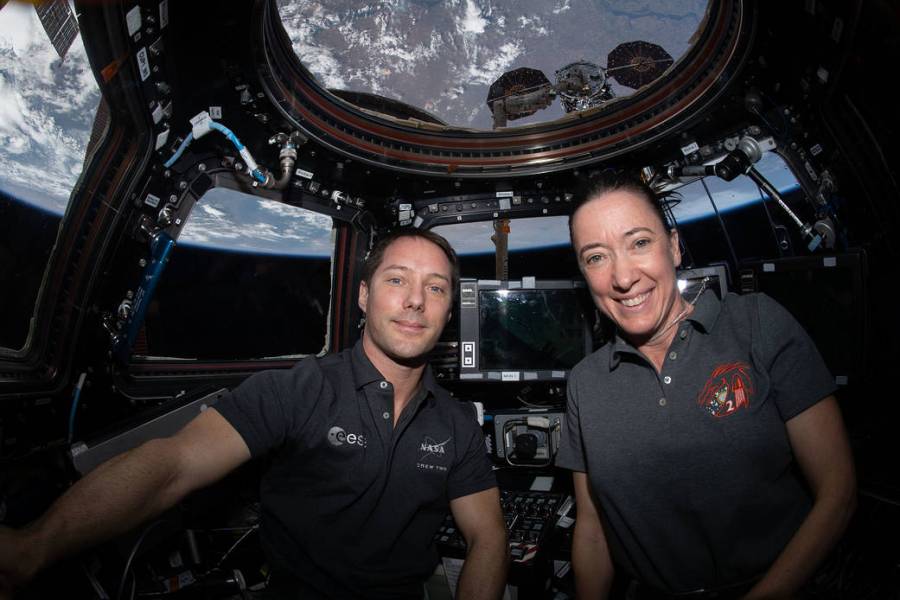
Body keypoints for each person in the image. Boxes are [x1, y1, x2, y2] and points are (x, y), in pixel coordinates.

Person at [0, 229, 509, 600]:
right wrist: (35, 547)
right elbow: (174, 463)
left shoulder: (457, 422)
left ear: (447, 311)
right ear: (363, 296)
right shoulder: (298, 389)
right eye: (397, 279)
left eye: (436, 287)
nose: (416, 300)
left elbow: (486, 536)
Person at [556, 172, 856, 600]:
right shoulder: (584, 382)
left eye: (639, 243)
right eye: (596, 257)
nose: (622, 277)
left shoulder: (756, 324)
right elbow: (592, 530)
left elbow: (837, 491)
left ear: (674, 247)